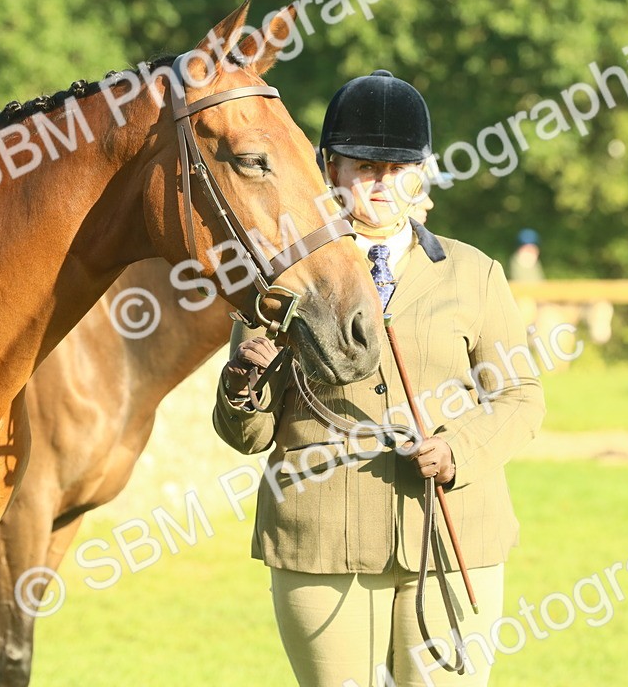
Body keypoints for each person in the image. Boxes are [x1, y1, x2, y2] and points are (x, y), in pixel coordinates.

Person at [211, 70, 546, 686]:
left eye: (398, 168)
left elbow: (520, 396)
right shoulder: (281, 277)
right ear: (328, 169)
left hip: (453, 537)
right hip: (321, 542)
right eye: (364, 166)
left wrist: (458, 449)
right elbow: (248, 434)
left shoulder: (476, 273)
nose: (382, 183)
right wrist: (242, 382)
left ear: (422, 171)